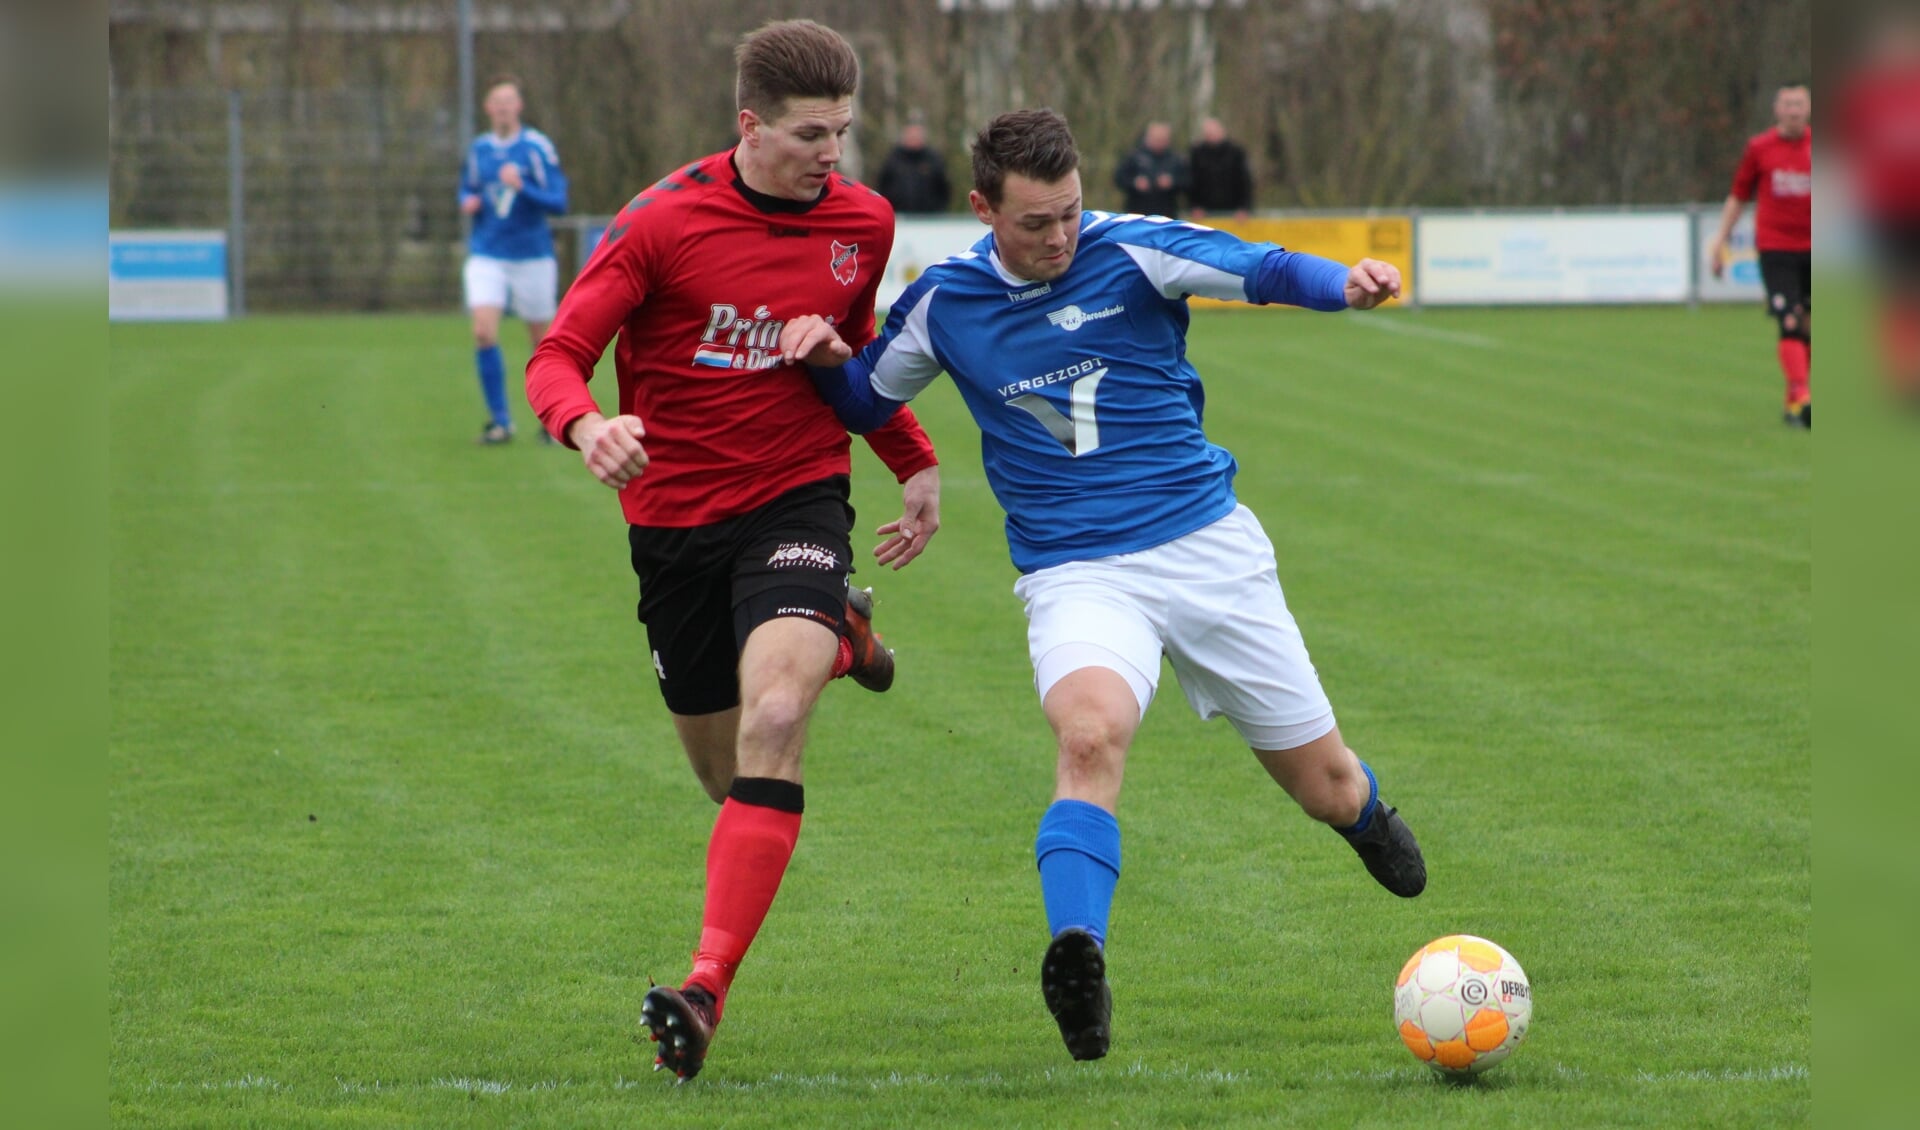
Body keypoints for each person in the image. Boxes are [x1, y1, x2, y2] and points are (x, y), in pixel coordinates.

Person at [781, 108, 1425, 1063]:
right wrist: (827, 360)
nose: (1059, 238)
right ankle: (1079, 954)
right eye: (1036, 222)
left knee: (1326, 788)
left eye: (1070, 213)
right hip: (1077, 571)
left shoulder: (1134, 251)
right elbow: (871, 398)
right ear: (983, 208)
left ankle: (1364, 813)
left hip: (1209, 552)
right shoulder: (946, 300)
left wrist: (1347, 284)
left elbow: (1261, 267)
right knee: (1087, 738)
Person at [524, 19, 943, 1082]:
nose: (831, 157)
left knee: (775, 716)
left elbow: (857, 364)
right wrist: (587, 425)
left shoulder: (864, 220)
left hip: (796, 499)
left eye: (844, 133)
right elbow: (561, 354)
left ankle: (704, 987)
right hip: (672, 530)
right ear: (748, 125)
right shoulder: (659, 223)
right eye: (810, 135)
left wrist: (914, 457)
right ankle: (844, 637)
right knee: (727, 775)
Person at [459, 77, 569, 444]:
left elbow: (558, 201)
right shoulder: (479, 150)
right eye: (497, 102)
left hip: (531, 255)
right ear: (488, 108)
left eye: (510, 101)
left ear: (519, 106)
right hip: (487, 252)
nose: (504, 107)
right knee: (483, 331)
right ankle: (501, 422)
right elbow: (468, 187)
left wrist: (524, 188)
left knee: (541, 342)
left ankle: (550, 420)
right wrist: (467, 201)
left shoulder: (536, 148)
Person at [1707, 82, 1813, 429]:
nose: (1794, 111)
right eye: (1788, 104)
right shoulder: (1759, 148)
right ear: (1777, 110)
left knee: (1809, 326)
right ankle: (1803, 397)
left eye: (1799, 104)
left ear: (1809, 108)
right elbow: (1738, 196)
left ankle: (1793, 404)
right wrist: (1720, 240)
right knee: (1790, 319)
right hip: (1776, 247)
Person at [873, 118, 952, 214]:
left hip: (929, 219)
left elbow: (944, 189)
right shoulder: (893, 159)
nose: (913, 137)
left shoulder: (933, 159)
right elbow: (882, 186)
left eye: (916, 135)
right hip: (899, 218)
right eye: (911, 134)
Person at [1112, 120, 1188, 216]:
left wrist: (1172, 183)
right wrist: (1134, 183)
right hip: (1137, 213)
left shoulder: (1176, 159)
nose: (1160, 143)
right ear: (1148, 138)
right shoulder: (1134, 157)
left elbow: (1187, 182)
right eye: (1157, 139)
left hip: (1166, 214)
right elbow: (1119, 178)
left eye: (1163, 139)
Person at [1187, 116, 1254, 221]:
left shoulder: (1236, 152)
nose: (1211, 136)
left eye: (1213, 133)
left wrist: (1244, 207)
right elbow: (1192, 182)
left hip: (1233, 212)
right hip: (1205, 213)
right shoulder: (1196, 153)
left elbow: (1245, 181)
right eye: (1208, 134)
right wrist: (1194, 206)